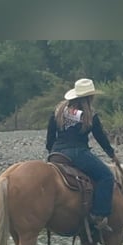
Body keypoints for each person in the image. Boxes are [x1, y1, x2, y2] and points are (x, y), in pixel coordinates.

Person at [46, 78, 116, 232]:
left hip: (56, 152)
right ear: (90, 97)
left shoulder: (58, 111)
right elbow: (100, 137)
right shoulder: (89, 115)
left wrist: (51, 152)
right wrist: (111, 154)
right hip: (77, 152)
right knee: (107, 177)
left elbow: (50, 135)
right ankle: (98, 216)